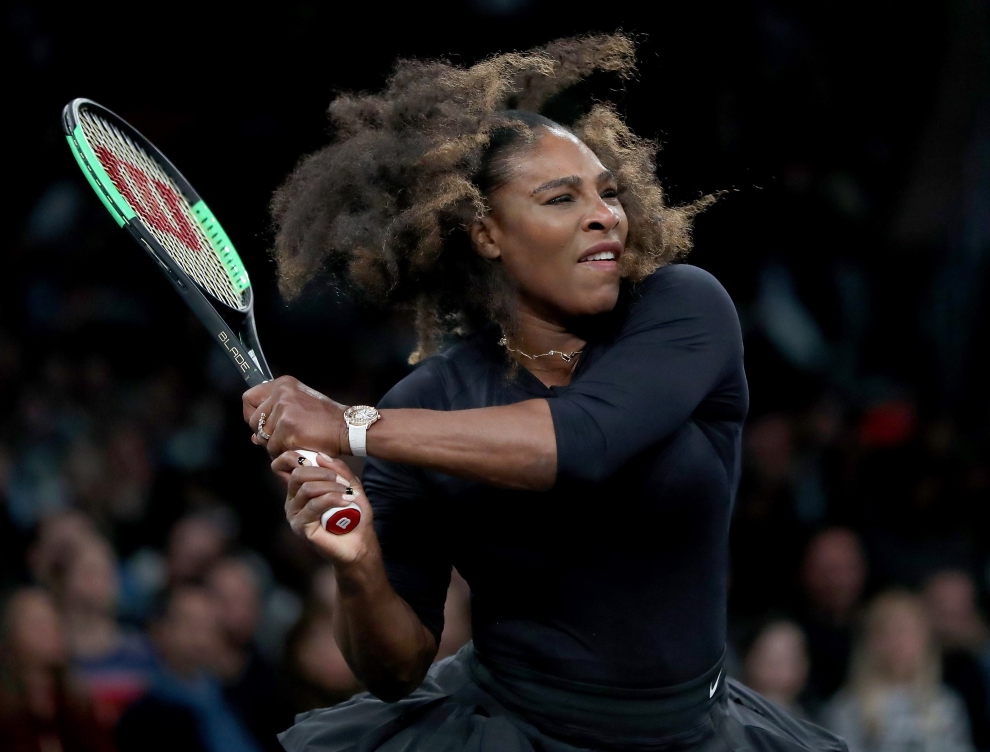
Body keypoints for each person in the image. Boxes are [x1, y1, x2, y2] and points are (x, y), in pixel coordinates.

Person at [244, 35, 845, 751]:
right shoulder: (425, 403)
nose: (605, 215)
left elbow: (581, 440)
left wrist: (351, 425)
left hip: (696, 731)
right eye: (562, 197)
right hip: (510, 731)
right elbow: (396, 668)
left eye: (607, 192)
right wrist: (361, 568)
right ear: (487, 234)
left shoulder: (685, 309)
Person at [823, 591, 973, 752]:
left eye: (907, 632)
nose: (899, 642)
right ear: (870, 642)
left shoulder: (946, 704)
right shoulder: (846, 709)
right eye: (887, 633)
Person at [115, 587, 260, 752]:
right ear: (160, 630)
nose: (200, 637)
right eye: (190, 624)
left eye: (208, 626)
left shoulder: (232, 694)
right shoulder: (143, 714)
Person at [0, 587, 113, 752]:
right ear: (9, 636)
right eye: (37, 622)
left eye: (54, 620)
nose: (52, 630)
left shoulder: (76, 705)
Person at [59, 536, 158, 730]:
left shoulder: (142, 648)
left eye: (108, 572)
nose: (100, 581)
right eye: (90, 572)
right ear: (65, 579)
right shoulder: (54, 651)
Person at [207, 557, 293, 751]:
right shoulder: (184, 673)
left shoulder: (278, 681)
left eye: (246, 600)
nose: (238, 612)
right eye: (225, 600)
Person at [799, 527, 868, 709]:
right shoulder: (791, 632)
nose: (837, 581)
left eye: (847, 568)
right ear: (806, 570)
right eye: (828, 570)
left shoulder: (876, 629)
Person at [922, 570, 990, 751]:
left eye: (960, 606)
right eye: (942, 606)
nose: (951, 615)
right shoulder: (908, 658)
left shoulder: (983, 659)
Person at [743, 620, 811, 717]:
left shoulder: (810, 726)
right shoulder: (726, 719)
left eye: (787, 660)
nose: (776, 670)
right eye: (768, 658)